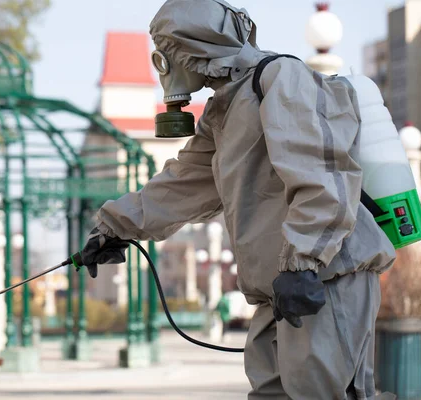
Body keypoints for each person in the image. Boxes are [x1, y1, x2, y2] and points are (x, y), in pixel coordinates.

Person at [77, 0, 397, 398]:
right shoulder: (224, 109)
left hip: (322, 280)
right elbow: (182, 184)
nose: (163, 64)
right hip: (278, 290)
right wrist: (115, 228)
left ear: (188, 46)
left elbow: (322, 175)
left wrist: (304, 262)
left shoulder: (279, 77)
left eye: (165, 49)